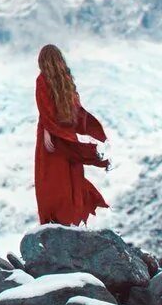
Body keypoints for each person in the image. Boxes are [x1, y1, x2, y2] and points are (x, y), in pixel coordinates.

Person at [34, 44, 111, 225]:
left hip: (50, 137)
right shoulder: (66, 80)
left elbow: (45, 110)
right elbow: (75, 110)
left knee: (50, 180)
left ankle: (53, 221)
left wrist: (47, 131)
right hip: (66, 133)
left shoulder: (42, 80)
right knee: (71, 177)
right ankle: (72, 218)